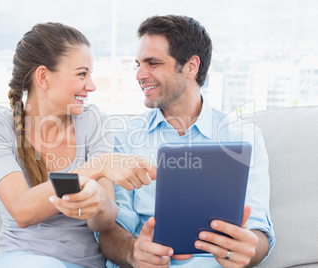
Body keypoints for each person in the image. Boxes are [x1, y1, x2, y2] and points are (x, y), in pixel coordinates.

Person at [98, 15, 275, 268]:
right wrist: (133, 252)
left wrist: (249, 248)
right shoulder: (122, 136)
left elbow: (259, 231)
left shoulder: (244, 137)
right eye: (139, 64)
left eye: (153, 63)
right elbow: (111, 229)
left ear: (191, 67)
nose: (139, 74)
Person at [0, 22, 155, 268]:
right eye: (82, 74)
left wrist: (98, 205)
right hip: (19, 258)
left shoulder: (94, 122)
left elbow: (104, 222)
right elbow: (22, 211)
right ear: (43, 76)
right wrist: (97, 166)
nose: (91, 85)